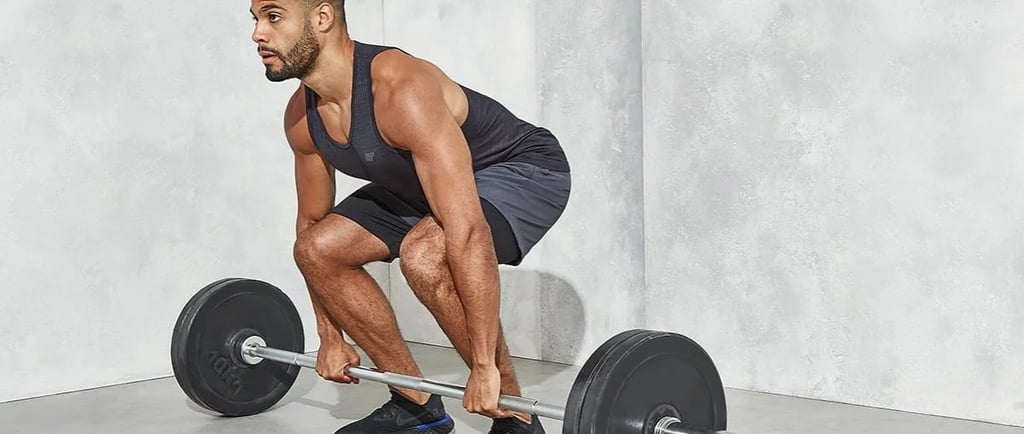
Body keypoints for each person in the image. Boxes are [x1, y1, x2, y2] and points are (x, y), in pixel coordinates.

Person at [249, 1, 571, 433]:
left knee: (423, 256)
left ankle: (515, 415)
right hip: (423, 184)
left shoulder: (400, 88)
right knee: (317, 248)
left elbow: (467, 229)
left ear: (322, 18)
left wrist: (483, 366)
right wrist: (330, 335)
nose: (257, 35)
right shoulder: (302, 118)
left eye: (273, 17)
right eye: (254, 19)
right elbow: (310, 224)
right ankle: (414, 403)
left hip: (522, 170)